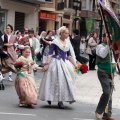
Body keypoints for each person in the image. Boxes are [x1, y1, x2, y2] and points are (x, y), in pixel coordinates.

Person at [39, 26, 77, 109]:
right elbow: (50, 53)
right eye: (66, 33)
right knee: (54, 81)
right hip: (56, 62)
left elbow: (69, 55)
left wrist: (75, 65)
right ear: (61, 33)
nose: (67, 35)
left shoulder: (67, 43)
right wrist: (47, 63)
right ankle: (50, 97)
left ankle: (61, 100)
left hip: (65, 63)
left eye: (68, 33)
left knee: (65, 82)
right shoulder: (55, 42)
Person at [95, 33, 115, 120]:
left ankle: (107, 114)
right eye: (108, 37)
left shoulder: (113, 47)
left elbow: (114, 61)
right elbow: (103, 54)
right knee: (106, 92)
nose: (110, 39)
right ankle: (99, 111)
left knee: (109, 94)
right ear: (103, 37)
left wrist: (115, 70)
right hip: (102, 73)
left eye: (111, 37)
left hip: (110, 73)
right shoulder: (100, 46)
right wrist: (108, 45)